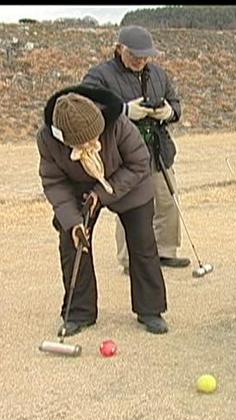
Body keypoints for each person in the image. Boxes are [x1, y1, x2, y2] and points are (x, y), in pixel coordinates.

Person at [37, 85, 170, 335]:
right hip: (79, 189)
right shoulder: (47, 140)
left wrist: (102, 193)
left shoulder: (116, 123)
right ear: (64, 138)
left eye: (95, 136)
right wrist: (74, 222)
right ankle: (79, 312)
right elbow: (54, 182)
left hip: (127, 183)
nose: (92, 142)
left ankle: (150, 310)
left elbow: (139, 163)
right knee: (72, 243)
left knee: (142, 242)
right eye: (83, 141)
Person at [82, 25, 190, 275]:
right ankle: (130, 260)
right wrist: (123, 110)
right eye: (135, 55)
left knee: (166, 202)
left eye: (145, 56)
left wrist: (169, 113)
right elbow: (86, 106)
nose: (141, 60)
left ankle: (164, 251)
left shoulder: (159, 75)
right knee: (130, 207)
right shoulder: (100, 75)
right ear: (119, 49)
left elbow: (175, 103)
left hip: (157, 150)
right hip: (123, 154)